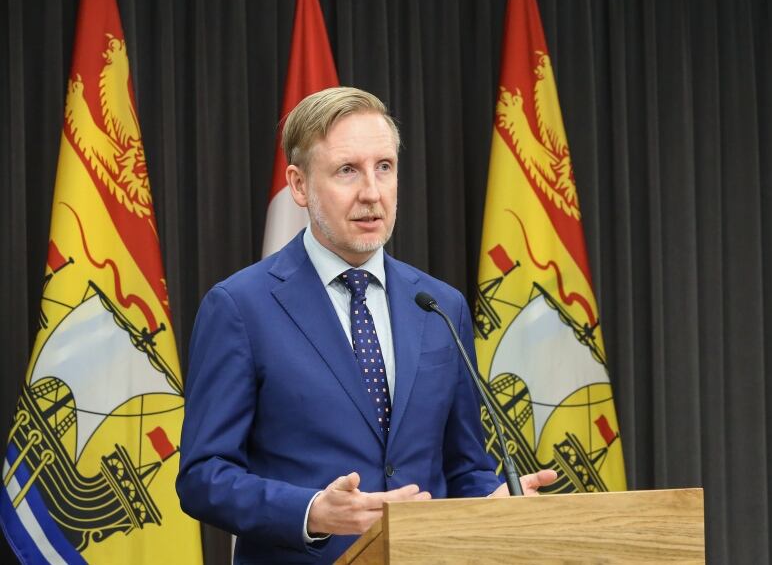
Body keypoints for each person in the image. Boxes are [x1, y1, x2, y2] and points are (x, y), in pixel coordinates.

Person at [176, 87, 556, 563]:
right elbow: (202, 476)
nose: (372, 193)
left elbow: (465, 466)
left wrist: (494, 502)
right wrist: (312, 511)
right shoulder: (240, 307)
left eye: (384, 167)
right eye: (347, 171)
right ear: (298, 185)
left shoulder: (439, 305)